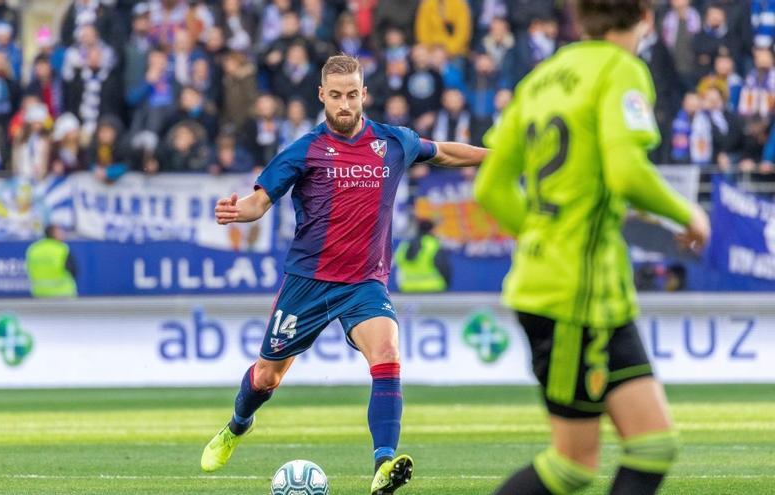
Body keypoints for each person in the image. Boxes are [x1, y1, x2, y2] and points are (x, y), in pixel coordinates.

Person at [202, 54, 487, 495]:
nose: (344, 105)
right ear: (321, 95)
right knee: (266, 377)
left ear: (363, 94)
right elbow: (260, 200)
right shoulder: (305, 149)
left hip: (364, 283)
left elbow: (445, 152)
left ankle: (383, 464)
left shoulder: (394, 142)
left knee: (388, 350)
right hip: (308, 284)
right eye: (335, 96)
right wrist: (241, 212)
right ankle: (237, 426)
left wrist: (499, 158)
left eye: (352, 95)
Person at [474, 1, 711, 494]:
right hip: (571, 295)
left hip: (596, 293)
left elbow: (491, 186)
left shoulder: (543, 77)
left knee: (654, 445)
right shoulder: (622, 70)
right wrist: (687, 212)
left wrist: (540, 235)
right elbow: (627, 171)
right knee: (572, 466)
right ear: (644, 15)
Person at [394, 217, 451, 292]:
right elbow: (443, 267)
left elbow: (398, 263)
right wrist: (447, 284)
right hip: (433, 288)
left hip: (407, 288)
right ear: (432, 230)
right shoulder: (433, 244)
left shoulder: (404, 245)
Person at [25, 225, 77, 298]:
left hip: (39, 293)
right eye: (60, 231)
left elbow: (28, 267)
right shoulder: (61, 249)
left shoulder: (34, 248)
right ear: (54, 234)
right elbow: (73, 270)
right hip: (62, 293)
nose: (63, 233)